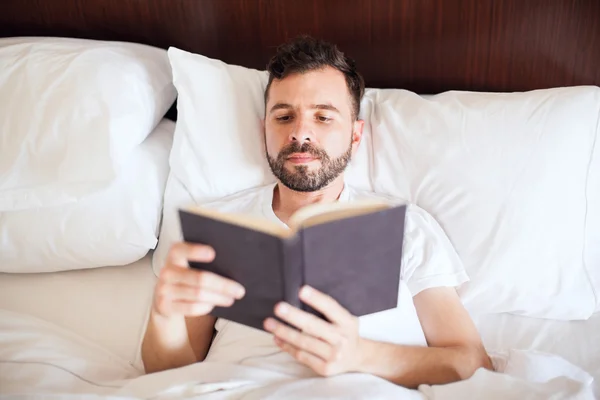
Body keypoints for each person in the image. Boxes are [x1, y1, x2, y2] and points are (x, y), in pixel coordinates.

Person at [141, 36, 493, 388]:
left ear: (356, 136)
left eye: (323, 117)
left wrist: (358, 355)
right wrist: (164, 315)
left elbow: (472, 364)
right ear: (265, 128)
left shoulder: (405, 227)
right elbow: (168, 375)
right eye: (284, 116)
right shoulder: (221, 227)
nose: (300, 133)